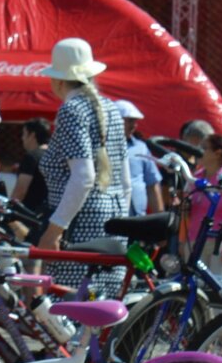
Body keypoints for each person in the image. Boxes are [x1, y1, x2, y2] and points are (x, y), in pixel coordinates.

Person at [37, 38, 129, 294]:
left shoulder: (71, 111)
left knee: (71, 307)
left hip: (78, 226)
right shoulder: (111, 109)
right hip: (113, 221)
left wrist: (55, 230)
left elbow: (83, 177)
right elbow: (125, 181)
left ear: (57, 80)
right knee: (99, 310)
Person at [186, 134, 222, 273]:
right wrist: (182, 241)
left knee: (218, 288)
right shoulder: (194, 177)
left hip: (220, 243)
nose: (198, 151)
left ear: (218, 153)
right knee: (193, 287)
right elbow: (185, 212)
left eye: (204, 148)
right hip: (194, 241)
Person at [117, 99, 162, 216]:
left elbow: (152, 184)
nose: (134, 126)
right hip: (112, 217)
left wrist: (160, 220)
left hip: (138, 217)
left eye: (135, 121)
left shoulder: (141, 148)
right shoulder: (100, 148)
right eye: (130, 121)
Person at [10, 118, 52, 240]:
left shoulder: (32, 157)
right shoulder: (55, 156)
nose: (22, 139)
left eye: (23, 134)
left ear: (32, 135)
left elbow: (20, 191)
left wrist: (8, 209)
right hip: (50, 215)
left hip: (28, 218)